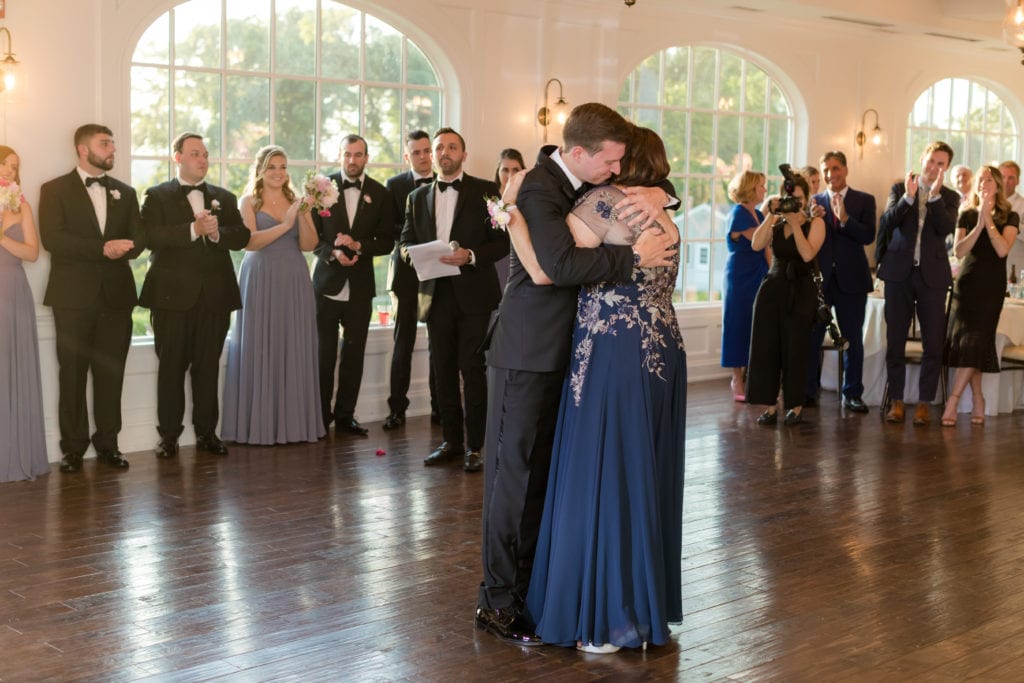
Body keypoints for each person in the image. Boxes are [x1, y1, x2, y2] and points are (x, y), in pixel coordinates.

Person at [478, 102, 678, 645]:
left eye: (621, 164)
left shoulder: (584, 185)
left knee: (542, 480)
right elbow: (556, 269)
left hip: (573, 351)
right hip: (530, 350)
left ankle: (533, 593)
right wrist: (636, 260)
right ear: (580, 153)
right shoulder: (542, 187)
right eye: (609, 162)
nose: (615, 172)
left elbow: (633, 189)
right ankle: (497, 603)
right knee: (514, 480)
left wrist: (664, 193)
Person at [400, 128, 509, 472]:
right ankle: (451, 441)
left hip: (474, 295)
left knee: (472, 371)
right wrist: (415, 255)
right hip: (435, 295)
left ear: (464, 153)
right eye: (439, 148)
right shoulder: (417, 197)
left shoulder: (486, 191)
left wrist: (471, 255)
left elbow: (503, 242)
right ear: (431, 155)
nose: (444, 153)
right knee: (441, 371)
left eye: (452, 147)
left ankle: (475, 446)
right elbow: (402, 244)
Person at [39, 124, 144, 472]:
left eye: (113, 143)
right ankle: (72, 449)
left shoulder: (126, 193)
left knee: (110, 373)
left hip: (116, 298)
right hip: (72, 297)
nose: (112, 148)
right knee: (72, 374)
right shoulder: (53, 190)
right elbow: (53, 240)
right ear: (83, 149)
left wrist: (125, 248)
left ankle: (108, 445)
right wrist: (102, 248)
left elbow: (139, 239)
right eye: (105, 143)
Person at [140, 131, 250, 459]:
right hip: (171, 299)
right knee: (171, 368)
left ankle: (207, 433)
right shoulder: (157, 196)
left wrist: (217, 233)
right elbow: (150, 237)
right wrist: (193, 230)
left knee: (207, 367)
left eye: (204, 154)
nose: (202, 159)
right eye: (194, 154)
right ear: (177, 158)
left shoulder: (224, 197)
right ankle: (169, 437)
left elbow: (242, 235)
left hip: (214, 298)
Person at [220, 146, 324, 444]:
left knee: (293, 343)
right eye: (271, 167)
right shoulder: (248, 201)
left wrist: (302, 216)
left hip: (293, 276)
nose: (278, 172)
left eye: (282, 166)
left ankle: (294, 425)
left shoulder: (295, 200)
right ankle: (258, 426)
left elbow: (308, 245)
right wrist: (286, 224)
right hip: (261, 277)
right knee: (260, 345)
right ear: (260, 170)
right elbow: (250, 242)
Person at [312, 134, 394, 436]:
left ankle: (346, 416)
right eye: (347, 154)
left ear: (366, 158)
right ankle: (319, 418)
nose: (352, 160)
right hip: (326, 284)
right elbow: (311, 237)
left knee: (354, 353)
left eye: (358, 155)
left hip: (360, 287)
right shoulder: (321, 189)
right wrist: (332, 253)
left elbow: (387, 240)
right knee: (323, 354)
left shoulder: (380, 193)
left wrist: (359, 246)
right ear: (339, 156)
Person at [876, 141, 959, 426]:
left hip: (932, 278)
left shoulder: (950, 197)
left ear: (945, 168)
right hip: (899, 274)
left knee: (933, 343)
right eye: (931, 160)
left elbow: (946, 229)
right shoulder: (901, 188)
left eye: (941, 163)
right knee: (895, 340)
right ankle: (896, 401)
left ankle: (924, 403)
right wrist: (908, 199)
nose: (934, 167)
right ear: (922, 157)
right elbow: (887, 222)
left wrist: (934, 198)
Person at [941, 166, 1019, 427]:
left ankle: (953, 400)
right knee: (969, 344)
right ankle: (977, 397)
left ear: (997, 185)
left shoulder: (1011, 216)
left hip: (991, 288)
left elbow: (1001, 250)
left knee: (976, 340)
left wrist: (989, 221)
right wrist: (979, 222)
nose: (983, 183)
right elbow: (959, 251)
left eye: (988, 179)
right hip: (968, 284)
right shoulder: (967, 213)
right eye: (980, 179)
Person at [746, 171, 826, 426]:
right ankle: (769, 405)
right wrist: (772, 213)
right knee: (766, 347)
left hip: (801, 291)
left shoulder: (816, 223)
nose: (794, 204)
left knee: (796, 348)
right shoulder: (775, 220)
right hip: (773, 288)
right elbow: (756, 246)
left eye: (799, 199)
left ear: (807, 198)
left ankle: (795, 404)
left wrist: (795, 223)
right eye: (789, 198)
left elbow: (806, 254)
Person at [805, 151, 877, 412]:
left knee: (852, 339)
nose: (829, 175)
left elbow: (868, 236)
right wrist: (810, 218)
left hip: (852, 282)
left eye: (835, 169)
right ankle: (808, 391)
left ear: (845, 170)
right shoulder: (814, 201)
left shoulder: (864, 200)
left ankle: (853, 393)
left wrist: (845, 218)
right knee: (812, 338)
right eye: (825, 170)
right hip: (820, 281)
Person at [382, 130, 438, 431]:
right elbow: (391, 228)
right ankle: (397, 410)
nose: (424, 156)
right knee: (402, 343)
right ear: (407, 156)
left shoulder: (444, 184)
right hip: (405, 274)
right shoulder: (394, 186)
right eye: (416, 152)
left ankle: (439, 408)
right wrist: (420, 243)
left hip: (438, 273)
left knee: (438, 344)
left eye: (427, 150)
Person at [0, 146, 49, 482]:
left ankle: (14, 454)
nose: (11, 173)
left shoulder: (23, 207)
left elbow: (31, 253)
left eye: (15, 168)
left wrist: (1, 236)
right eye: (5, 166)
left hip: (12, 291)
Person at [721, 170, 768, 402]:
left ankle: (755, 379)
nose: (765, 190)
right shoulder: (738, 213)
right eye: (761, 186)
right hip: (740, 276)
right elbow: (759, 241)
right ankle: (736, 378)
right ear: (750, 189)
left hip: (759, 273)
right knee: (737, 323)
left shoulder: (759, 213)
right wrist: (773, 219)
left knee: (756, 325)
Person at [492, 148, 526, 292]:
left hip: (520, 257)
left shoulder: (527, 198)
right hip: (494, 260)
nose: (510, 175)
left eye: (515, 170)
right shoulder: (489, 197)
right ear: (498, 171)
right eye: (505, 170)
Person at [998, 161, 1024, 276]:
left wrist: (1012, 225)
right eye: (1003, 177)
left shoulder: (1022, 205)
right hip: (989, 264)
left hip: (1014, 265)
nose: (1006, 181)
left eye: (1011, 178)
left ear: (1018, 181)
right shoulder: (988, 204)